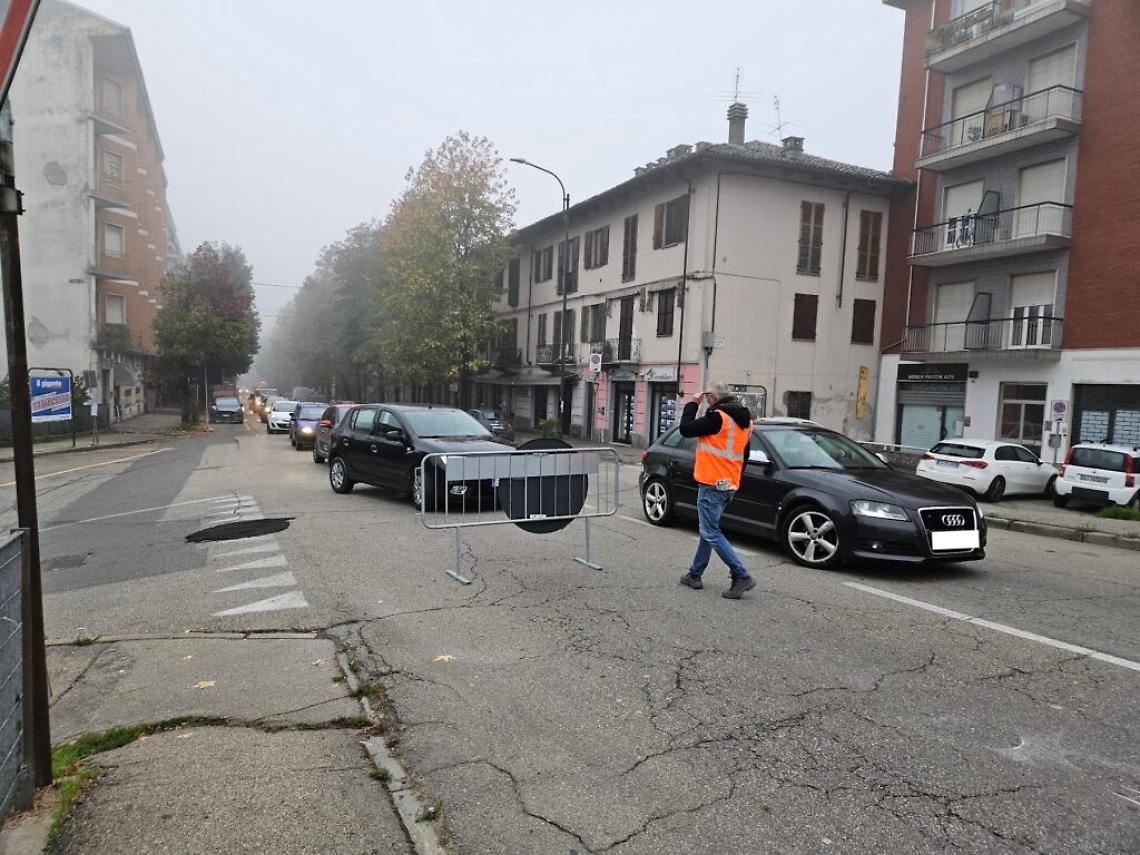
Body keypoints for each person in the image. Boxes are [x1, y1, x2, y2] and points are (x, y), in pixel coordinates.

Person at [677, 380, 756, 599]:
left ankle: (741, 575)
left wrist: (693, 402)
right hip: (729, 483)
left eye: (708, 397)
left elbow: (686, 429)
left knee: (710, 531)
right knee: (708, 530)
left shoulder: (717, 418)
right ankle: (695, 573)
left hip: (712, 483)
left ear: (712, 398)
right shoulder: (745, 421)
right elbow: (745, 456)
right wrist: (734, 481)